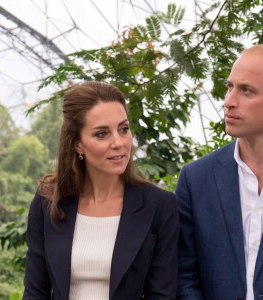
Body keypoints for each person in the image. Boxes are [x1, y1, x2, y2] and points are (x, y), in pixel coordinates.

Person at [22, 81, 179, 300]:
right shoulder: (48, 200)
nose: (118, 142)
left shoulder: (159, 205)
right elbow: (34, 292)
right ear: (77, 143)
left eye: (123, 129)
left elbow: (163, 294)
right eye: (101, 134)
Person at [176, 44, 263, 299]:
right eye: (230, 87)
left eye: (246, 91)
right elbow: (184, 276)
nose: (229, 102)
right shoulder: (196, 180)